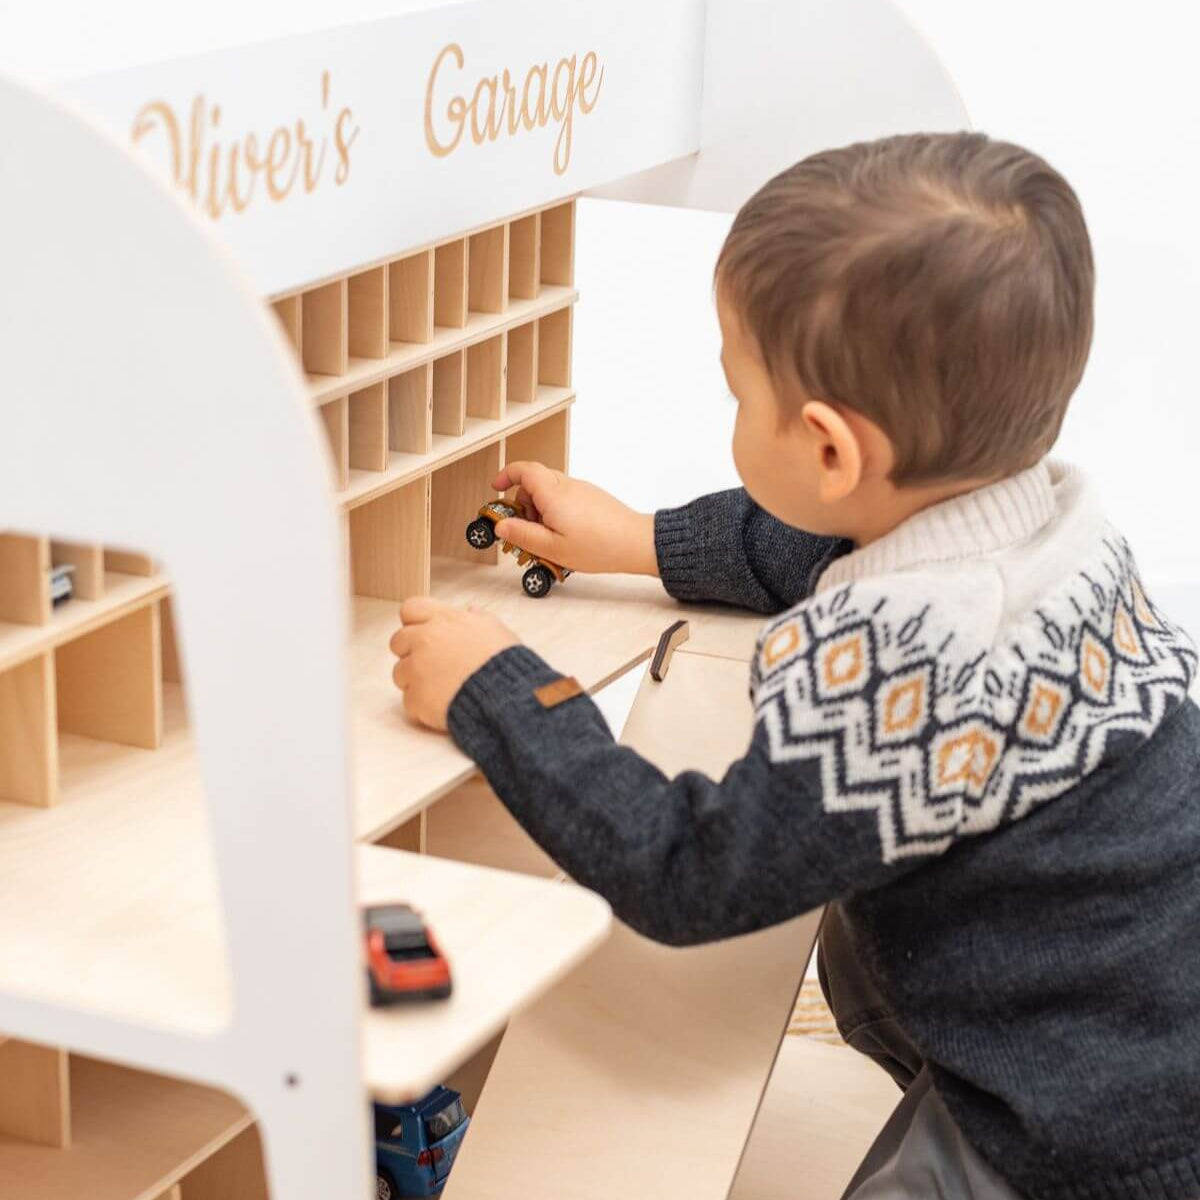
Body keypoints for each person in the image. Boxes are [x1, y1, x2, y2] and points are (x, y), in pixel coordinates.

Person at [388, 132, 1200, 1199]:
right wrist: (642, 540)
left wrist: (498, 691)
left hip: (1083, 1133)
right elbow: (824, 545)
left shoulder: (902, 670)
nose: (730, 412)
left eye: (737, 391)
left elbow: (689, 871)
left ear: (827, 447)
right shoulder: (1048, 521)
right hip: (1134, 1001)